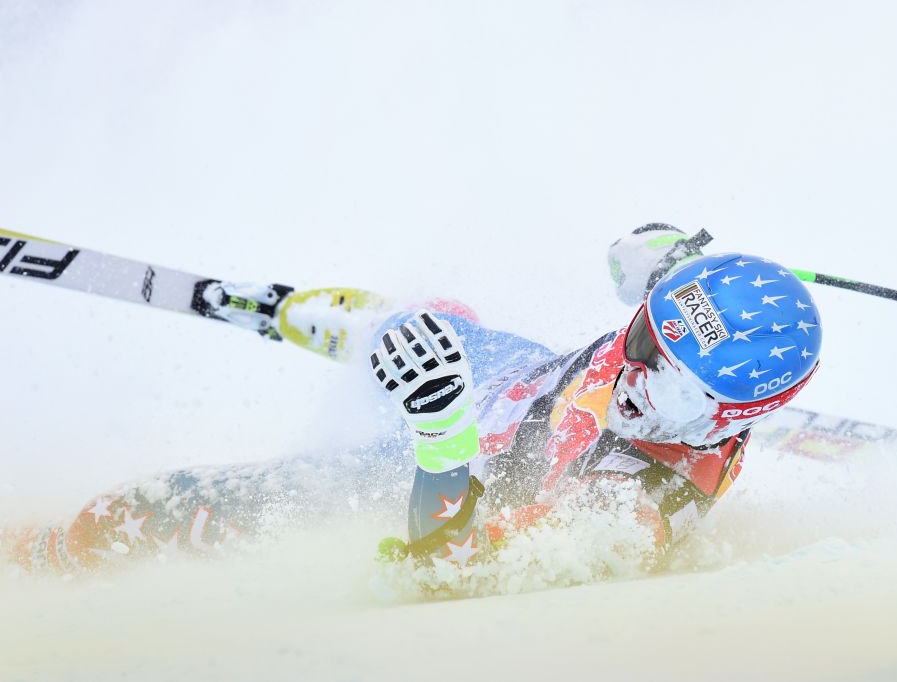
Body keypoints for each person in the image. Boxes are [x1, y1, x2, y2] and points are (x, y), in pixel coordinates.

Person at [3, 224, 822, 575]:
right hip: (524, 383)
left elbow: (446, 574)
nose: (635, 364)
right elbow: (634, 269)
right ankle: (400, 340)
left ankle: (39, 562)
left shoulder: (630, 514)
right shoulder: (683, 348)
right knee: (422, 312)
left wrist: (439, 429)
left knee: (164, 505)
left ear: (725, 414)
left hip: (459, 471)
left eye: (665, 370)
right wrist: (662, 255)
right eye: (645, 332)